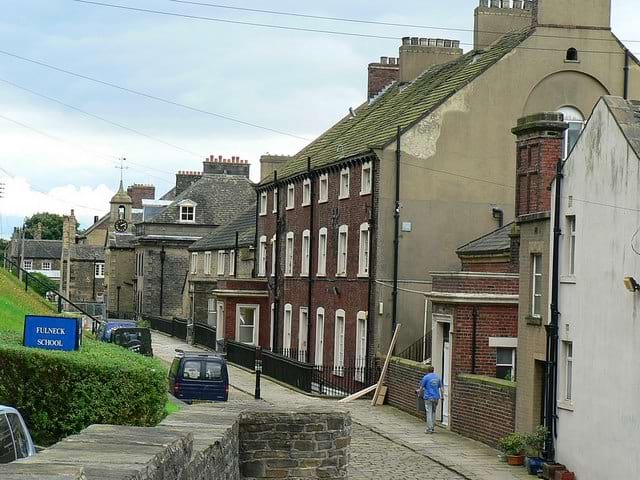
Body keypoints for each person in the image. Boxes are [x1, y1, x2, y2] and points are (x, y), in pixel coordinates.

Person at [416, 365, 444, 434]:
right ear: (433, 370)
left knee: (428, 412)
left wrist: (419, 394)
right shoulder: (438, 377)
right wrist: (442, 396)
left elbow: (421, 387)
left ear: (427, 371)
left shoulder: (425, 378)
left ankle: (429, 428)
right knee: (434, 412)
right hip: (436, 397)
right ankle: (433, 426)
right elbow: (441, 388)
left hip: (428, 397)